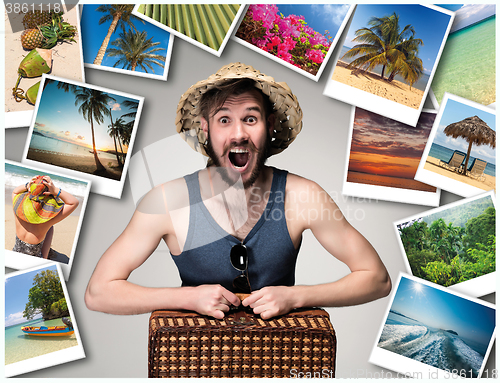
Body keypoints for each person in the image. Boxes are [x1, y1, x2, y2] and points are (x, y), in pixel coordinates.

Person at [85, 62, 391, 320]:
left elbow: (376, 279)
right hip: (194, 363)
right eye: (224, 120)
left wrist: (295, 296)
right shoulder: (167, 201)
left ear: (269, 126)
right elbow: (98, 292)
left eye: (250, 119)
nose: (239, 134)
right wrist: (188, 298)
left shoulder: (304, 195)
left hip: (281, 362)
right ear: (205, 130)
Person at [12, 175, 79, 259]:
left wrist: (27, 185)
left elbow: (15, 192)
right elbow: (74, 202)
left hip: (15, 253)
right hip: (35, 259)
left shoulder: (17, 207)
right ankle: (45, 258)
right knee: (50, 227)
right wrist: (55, 190)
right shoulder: (48, 221)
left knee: (49, 227)